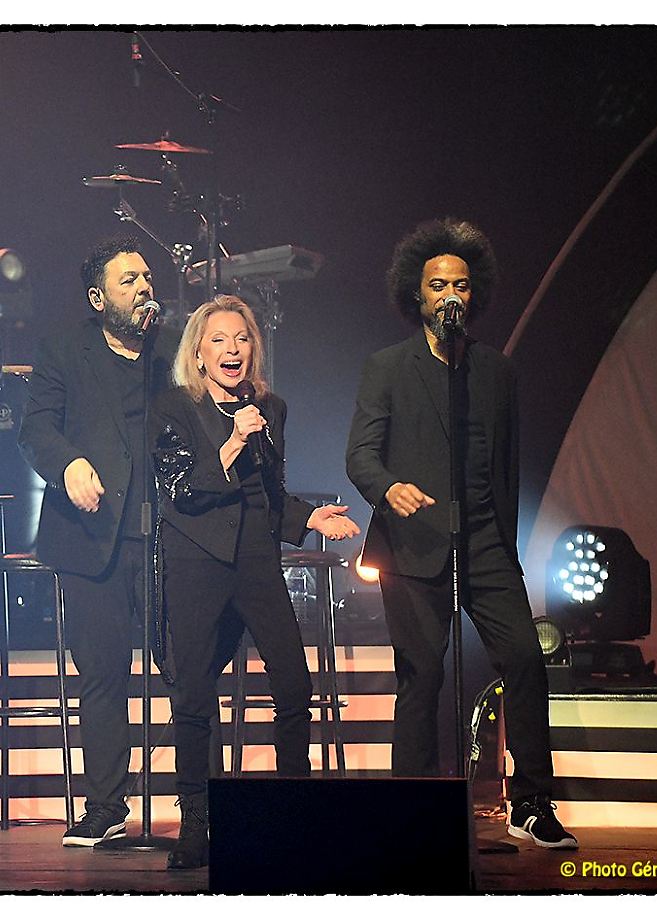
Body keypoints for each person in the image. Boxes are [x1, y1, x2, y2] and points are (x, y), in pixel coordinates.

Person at [345, 217, 577, 849]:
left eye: (461, 285)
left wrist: (504, 541)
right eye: (438, 285)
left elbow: (507, 463)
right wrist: (388, 488)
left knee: (525, 658)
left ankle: (531, 802)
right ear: (416, 294)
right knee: (422, 675)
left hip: (485, 544)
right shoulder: (388, 367)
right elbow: (360, 455)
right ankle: (415, 809)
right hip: (414, 544)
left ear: (475, 295)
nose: (451, 294)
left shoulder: (497, 370)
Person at [151, 296, 360, 869]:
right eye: (219, 340)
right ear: (198, 352)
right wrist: (234, 441)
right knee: (194, 694)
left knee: (294, 685)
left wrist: (310, 519)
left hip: (256, 561)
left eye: (241, 339)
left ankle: (291, 810)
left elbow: (270, 494)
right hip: (197, 562)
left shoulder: (271, 408)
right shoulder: (172, 409)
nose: (232, 350)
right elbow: (180, 490)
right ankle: (197, 824)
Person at [18, 236, 181, 846]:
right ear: (98, 298)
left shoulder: (173, 350)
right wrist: (68, 464)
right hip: (92, 538)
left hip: (167, 534)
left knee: (186, 669)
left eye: (147, 277)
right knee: (103, 675)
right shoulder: (65, 350)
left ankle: (203, 801)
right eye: (128, 280)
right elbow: (36, 427)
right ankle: (106, 805)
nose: (143, 288)